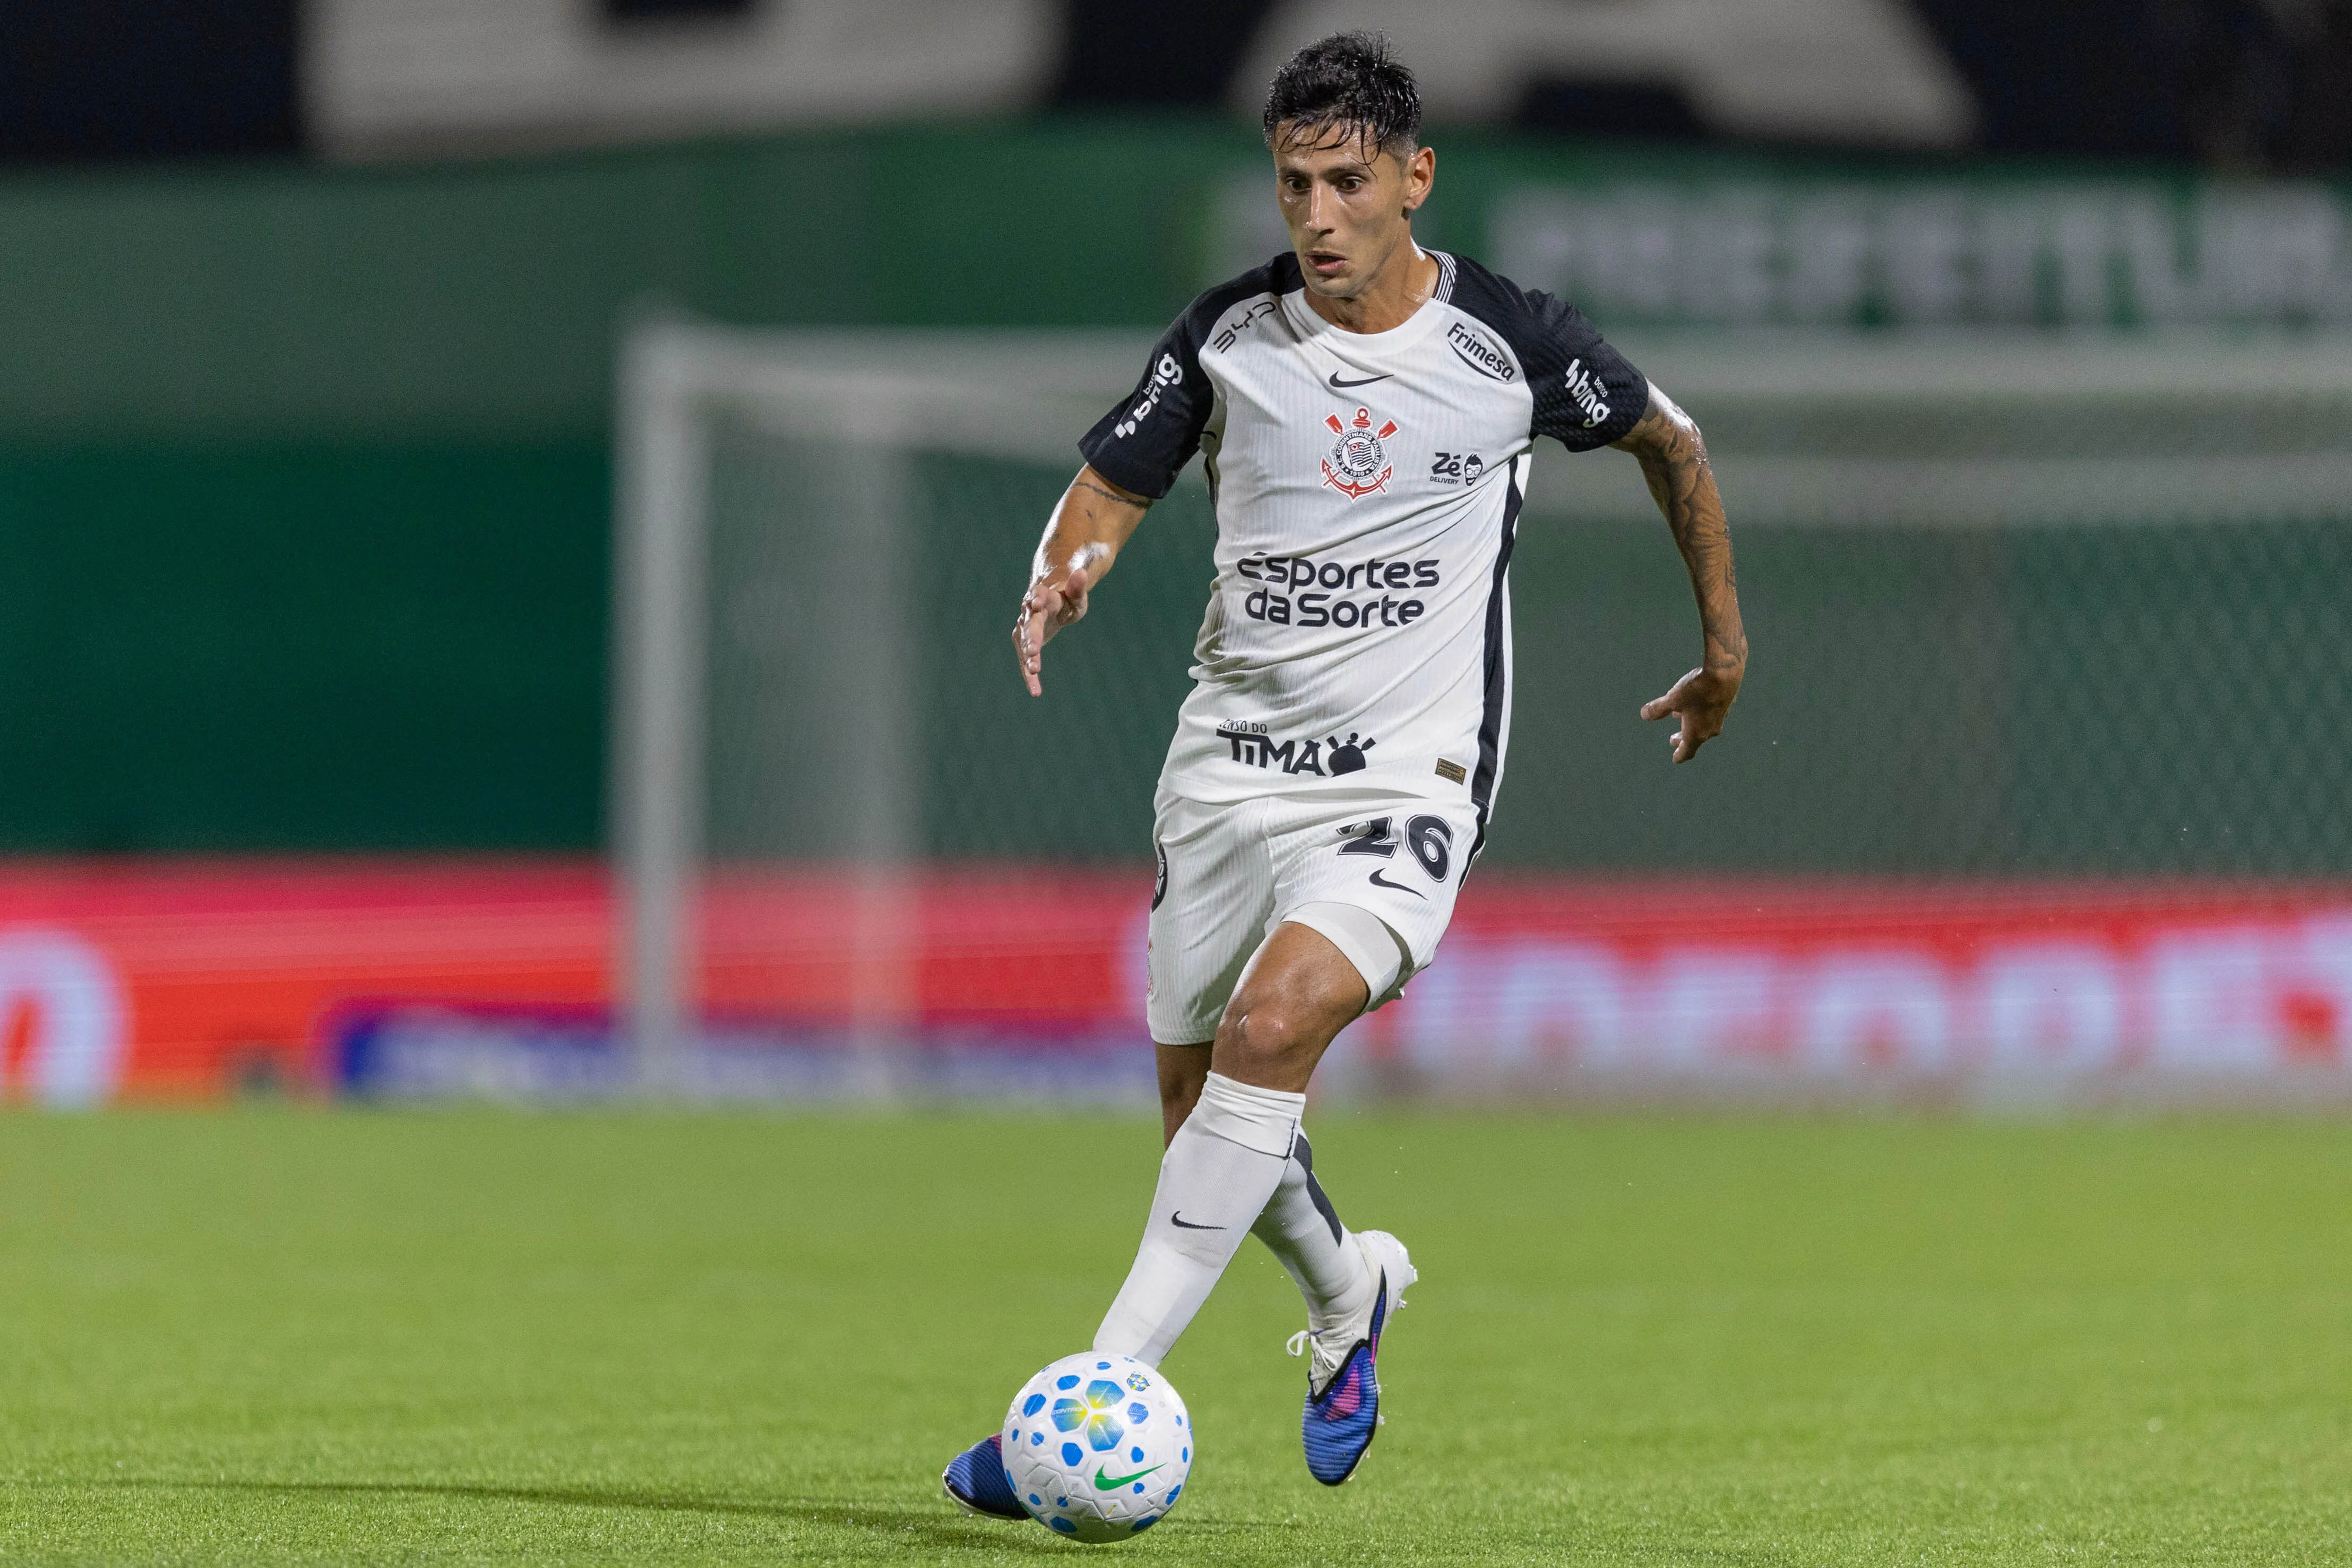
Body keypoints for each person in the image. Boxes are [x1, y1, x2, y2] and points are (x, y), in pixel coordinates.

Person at [945, 29, 1745, 1509]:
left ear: (1414, 179)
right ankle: (1347, 1295)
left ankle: (1096, 1392)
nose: (1315, 216)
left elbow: (1671, 444)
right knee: (1204, 1117)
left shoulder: (1512, 343)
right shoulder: (1225, 340)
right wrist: (1066, 570)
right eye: (1294, 183)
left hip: (1404, 776)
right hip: (1227, 769)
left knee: (1272, 1025)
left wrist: (1724, 644)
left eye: (1347, 182)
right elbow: (1112, 486)